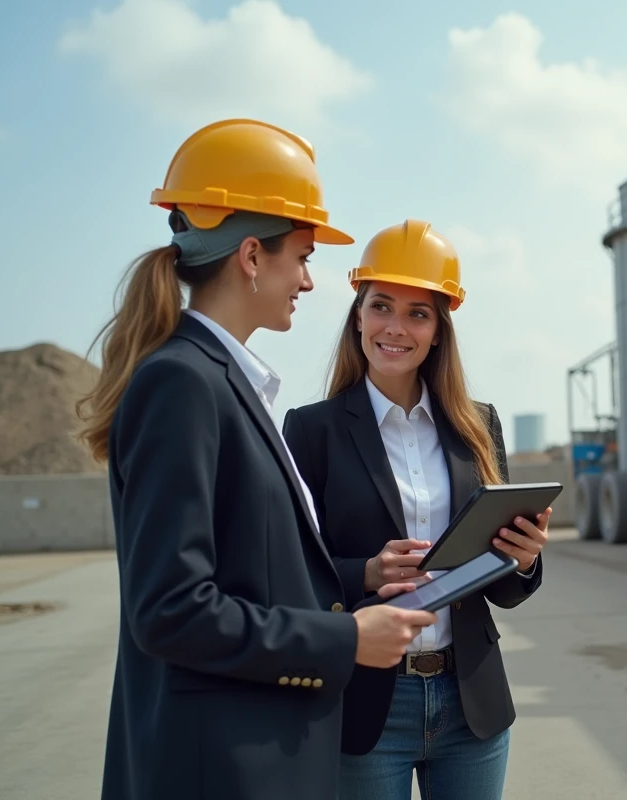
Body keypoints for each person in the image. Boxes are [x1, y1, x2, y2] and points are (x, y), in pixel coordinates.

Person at [76, 120, 437, 800]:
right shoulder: (183, 383)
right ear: (250, 256)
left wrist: (356, 578)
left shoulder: (219, 379)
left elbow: (254, 568)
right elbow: (172, 609)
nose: (307, 279)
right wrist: (344, 639)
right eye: (301, 255)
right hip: (223, 768)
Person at [281, 219, 551, 799]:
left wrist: (523, 561)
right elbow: (290, 571)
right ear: (357, 316)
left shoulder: (478, 426)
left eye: (418, 313)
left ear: (438, 331)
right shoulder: (311, 430)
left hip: (470, 701)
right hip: (365, 703)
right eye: (381, 306)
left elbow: (503, 588)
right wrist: (367, 573)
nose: (395, 328)